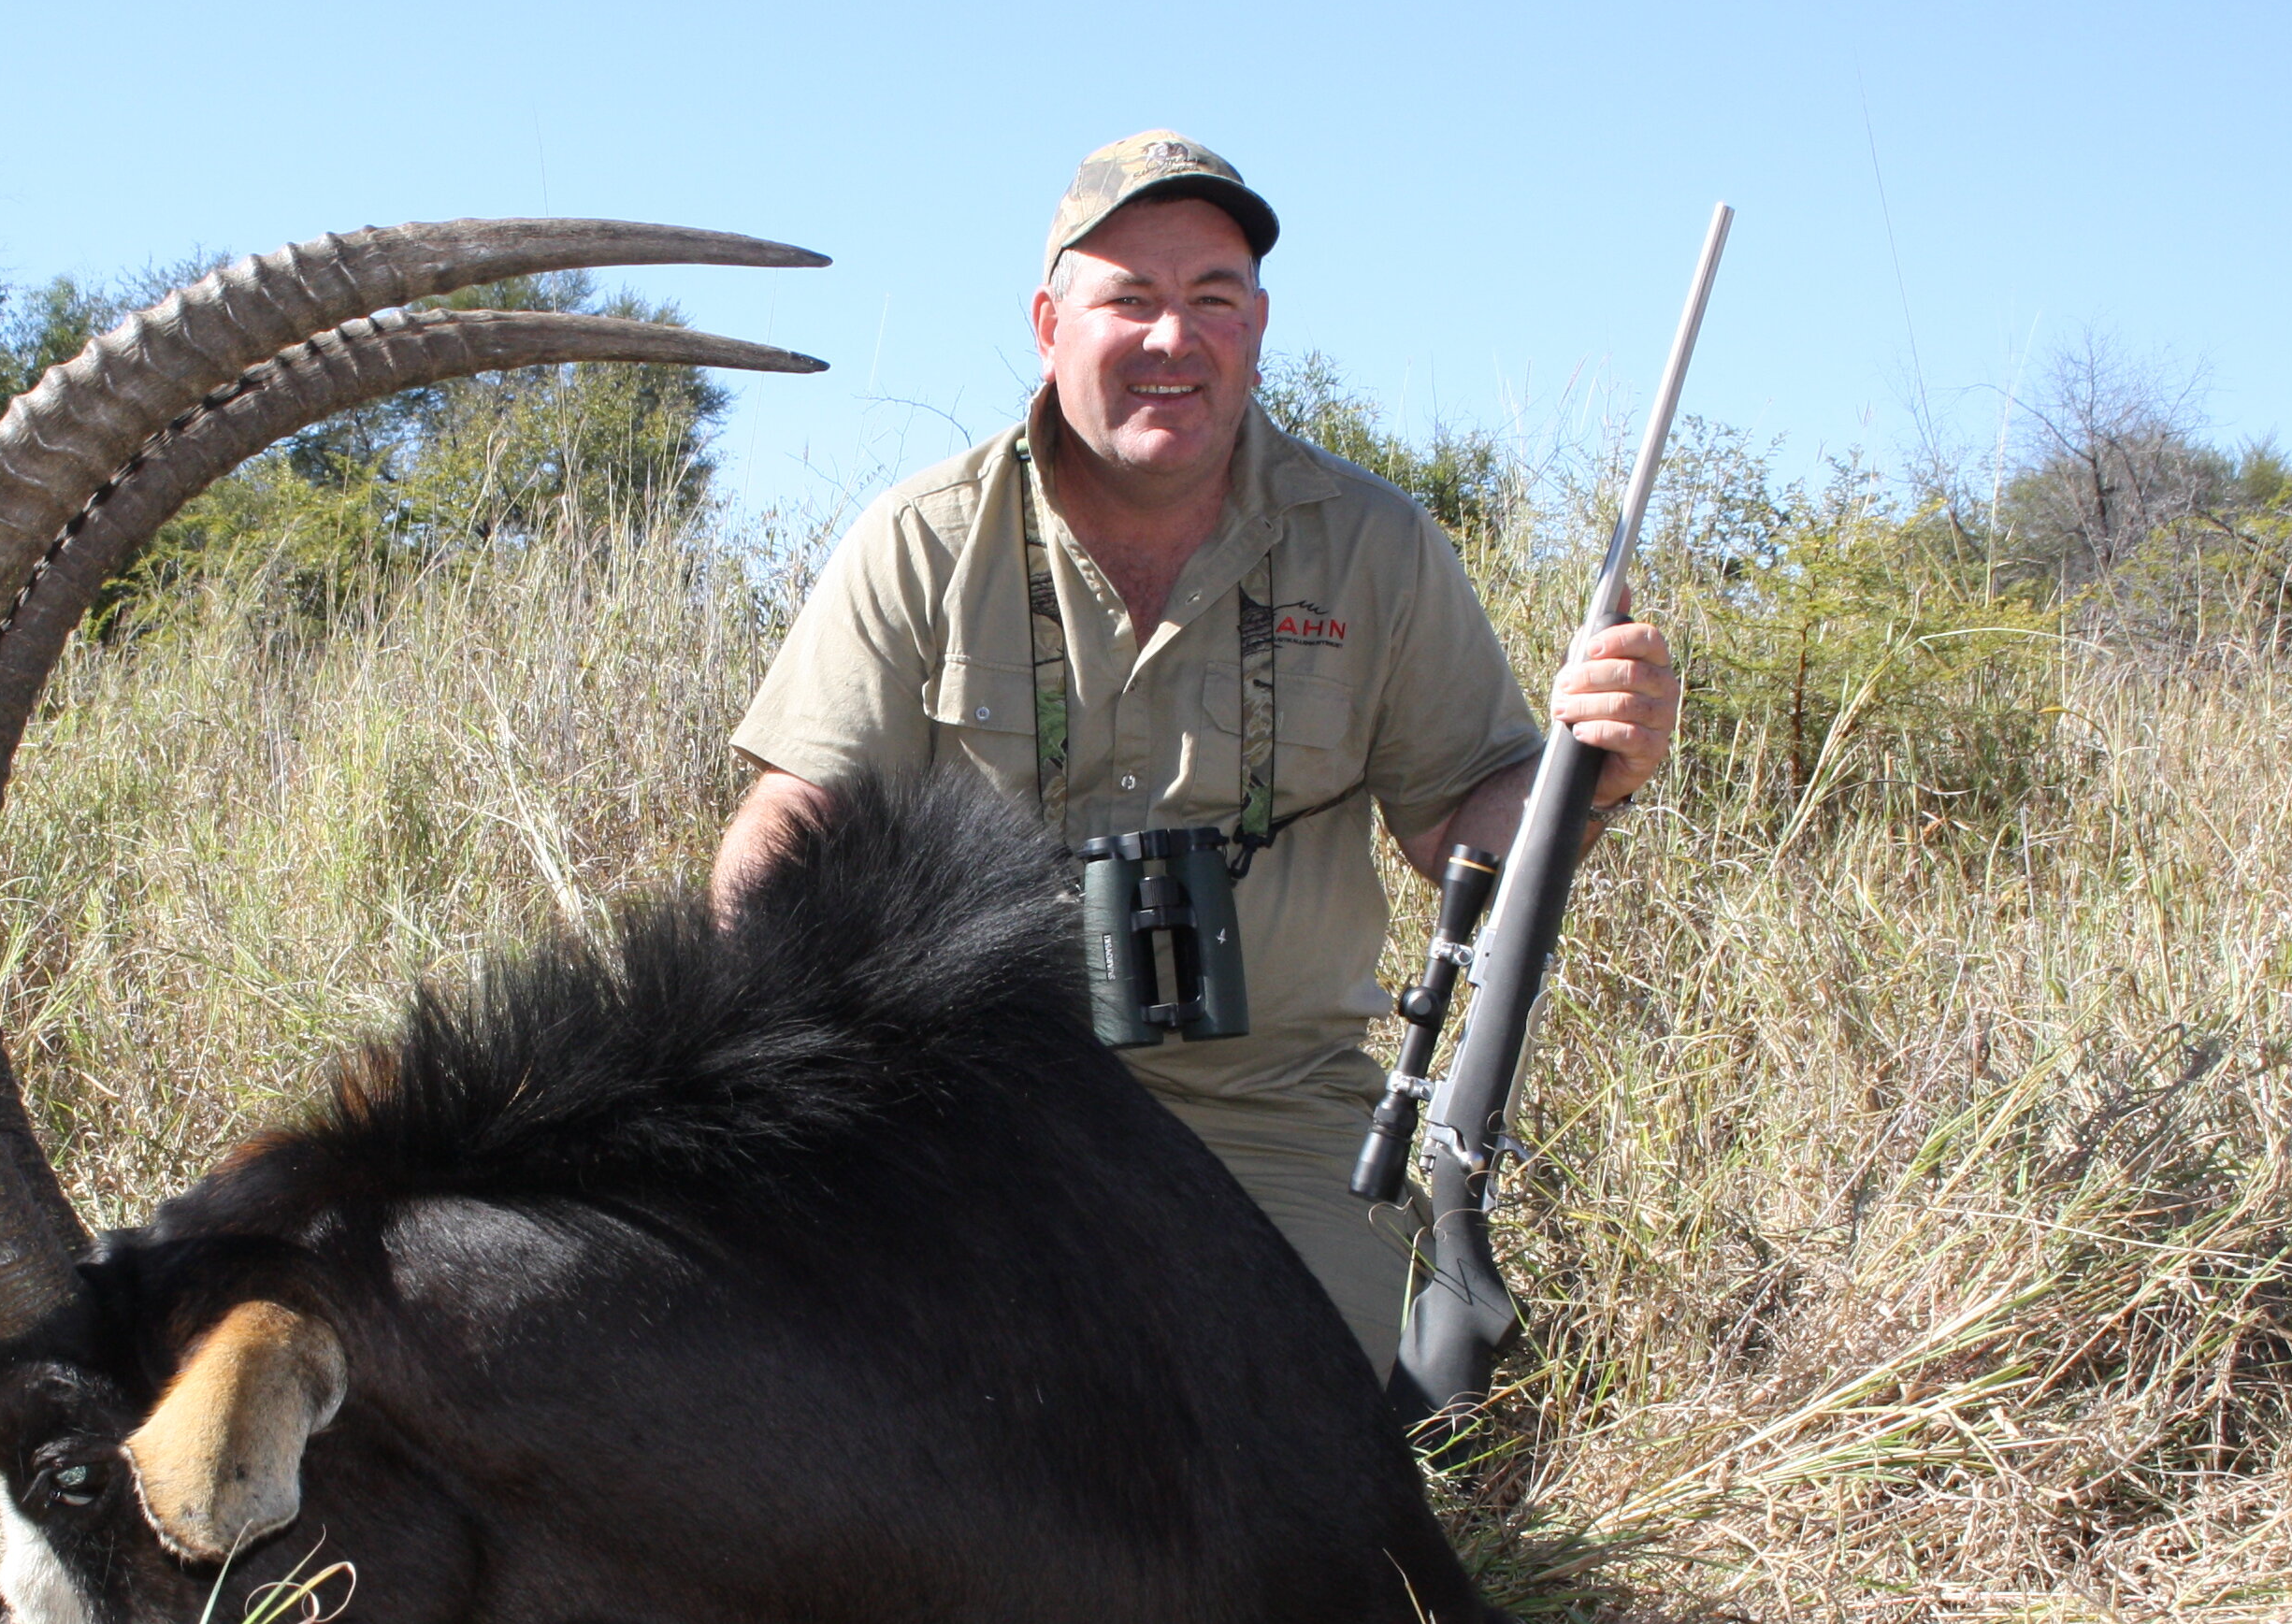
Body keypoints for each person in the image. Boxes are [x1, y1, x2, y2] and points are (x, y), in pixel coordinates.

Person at [712, 131, 1682, 1378]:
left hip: (1274, 1109)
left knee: (1288, 1417)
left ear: (1258, 325)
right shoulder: (922, 539)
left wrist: (1584, 772)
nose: (1175, 339)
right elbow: (799, 814)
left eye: (1212, 299)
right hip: (976, 1099)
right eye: (1130, 299)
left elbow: (1459, 830)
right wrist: (786, 1060)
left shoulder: (1376, 543)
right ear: (1049, 321)